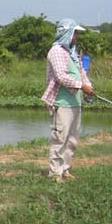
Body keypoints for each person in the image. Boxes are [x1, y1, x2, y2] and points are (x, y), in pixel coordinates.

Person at [41, 19, 95, 181]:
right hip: (62, 102)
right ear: (67, 33)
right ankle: (55, 173)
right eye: (75, 33)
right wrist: (81, 86)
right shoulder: (56, 51)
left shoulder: (72, 52)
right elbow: (61, 76)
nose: (77, 36)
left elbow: (81, 72)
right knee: (60, 139)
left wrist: (88, 87)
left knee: (72, 139)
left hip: (75, 102)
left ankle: (65, 169)